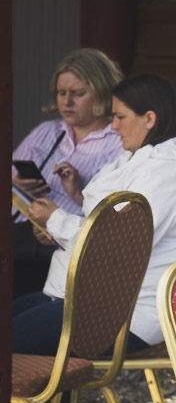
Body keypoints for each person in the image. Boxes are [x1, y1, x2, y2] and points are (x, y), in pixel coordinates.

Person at [12, 74, 176, 403]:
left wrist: (58, 220)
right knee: (14, 324)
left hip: (126, 311)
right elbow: (106, 224)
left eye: (120, 117)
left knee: (13, 343)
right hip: (95, 295)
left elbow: (121, 245)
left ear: (150, 119)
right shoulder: (145, 158)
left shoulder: (170, 172)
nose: (113, 126)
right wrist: (57, 223)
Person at [11, 49, 124, 297]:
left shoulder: (120, 142)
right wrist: (18, 185)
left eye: (77, 94)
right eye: (61, 93)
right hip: (18, 231)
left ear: (102, 93)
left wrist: (77, 193)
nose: (66, 101)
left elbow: (118, 219)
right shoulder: (47, 131)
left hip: (61, 245)